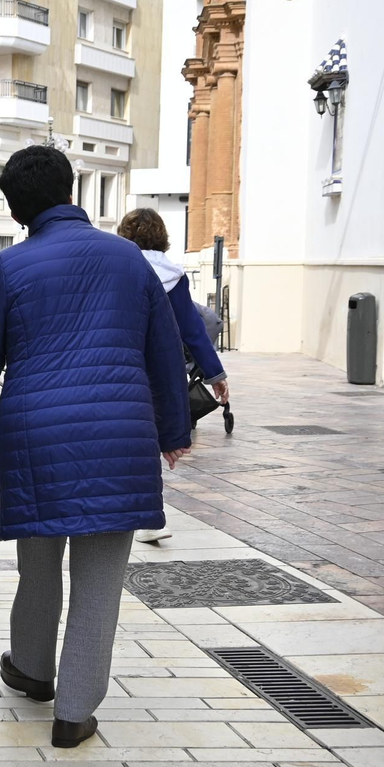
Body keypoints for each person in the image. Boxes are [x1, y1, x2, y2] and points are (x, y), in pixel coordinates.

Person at [0, 145, 192, 750]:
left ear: (14, 210)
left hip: (37, 434)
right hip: (118, 433)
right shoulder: (129, 260)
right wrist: (173, 432)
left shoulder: (11, 268)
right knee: (100, 581)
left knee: (37, 566)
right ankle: (75, 711)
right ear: (71, 191)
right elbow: (165, 353)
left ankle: (32, 671)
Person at [116, 207, 229, 544]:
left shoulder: (119, 267)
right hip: (161, 371)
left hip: (120, 367)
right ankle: (149, 516)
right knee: (150, 439)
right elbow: (193, 330)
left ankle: (124, 508)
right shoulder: (173, 275)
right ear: (163, 237)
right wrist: (215, 374)